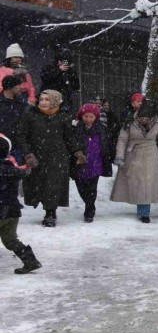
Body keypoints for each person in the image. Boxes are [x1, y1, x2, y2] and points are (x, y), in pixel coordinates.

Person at [16, 90, 85, 227]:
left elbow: (69, 138)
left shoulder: (63, 117)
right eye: (41, 99)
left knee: (52, 185)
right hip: (36, 156)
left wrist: (77, 152)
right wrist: (28, 153)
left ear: (55, 101)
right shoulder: (31, 115)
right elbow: (21, 135)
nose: (43, 102)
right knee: (36, 184)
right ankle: (41, 203)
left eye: (47, 99)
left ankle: (50, 213)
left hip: (57, 157)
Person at [111, 100, 158, 223]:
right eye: (141, 118)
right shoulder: (129, 123)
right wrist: (119, 156)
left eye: (146, 118)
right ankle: (142, 209)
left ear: (152, 117)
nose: (143, 120)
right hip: (133, 155)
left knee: (147, 184)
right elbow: (122, 140)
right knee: (138, 184)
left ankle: (144, 212)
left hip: (151, 156)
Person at [0, 134, 41, 274]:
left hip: (2, 211)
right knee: (10, 240)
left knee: (10, 240)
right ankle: (30, 261)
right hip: (11, 212)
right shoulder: (12, 168)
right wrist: (28, 167)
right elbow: (24, 172)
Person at [71, 103, 112, 223]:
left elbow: (105, 144)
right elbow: (71, 143)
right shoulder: (76, 128)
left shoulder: (101, 129)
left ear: (96, 117)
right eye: (85, 116)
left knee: (92, 188)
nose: (88, 119)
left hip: (96, 163)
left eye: (91, 117)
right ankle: (88, 203)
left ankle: (89, 210)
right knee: (81, 187)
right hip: (80, 163)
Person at [40, 45, 79, 113]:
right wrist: (59, 71)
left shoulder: (70, 71)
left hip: (66, 102)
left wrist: (71, 73)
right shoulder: (49, 68)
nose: (63, 63)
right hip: (50, 101)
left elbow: (76, 86)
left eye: (66, 62)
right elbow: (45, 78)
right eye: (62, 61)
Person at [0, 75, 26, 160]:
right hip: (1, 144)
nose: (21, 88)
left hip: (17, 145)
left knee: (19, 171)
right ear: (10, 86)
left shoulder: (21, 104)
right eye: (18, 85)